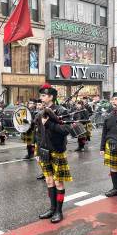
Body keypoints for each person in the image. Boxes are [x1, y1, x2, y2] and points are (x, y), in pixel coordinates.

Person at [36, 84, 72, 223]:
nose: (41, 98)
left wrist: (49, 124)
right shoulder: (40, 113)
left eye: (43, 95)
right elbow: (38, 134)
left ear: (51, 96)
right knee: (49, 181)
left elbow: (66, 129)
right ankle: (52, 208)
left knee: (58, 183)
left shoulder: (61, 110)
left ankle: (59, 211)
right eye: (41, 95)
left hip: (57, 150)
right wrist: (38, 151)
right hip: (44, 151)